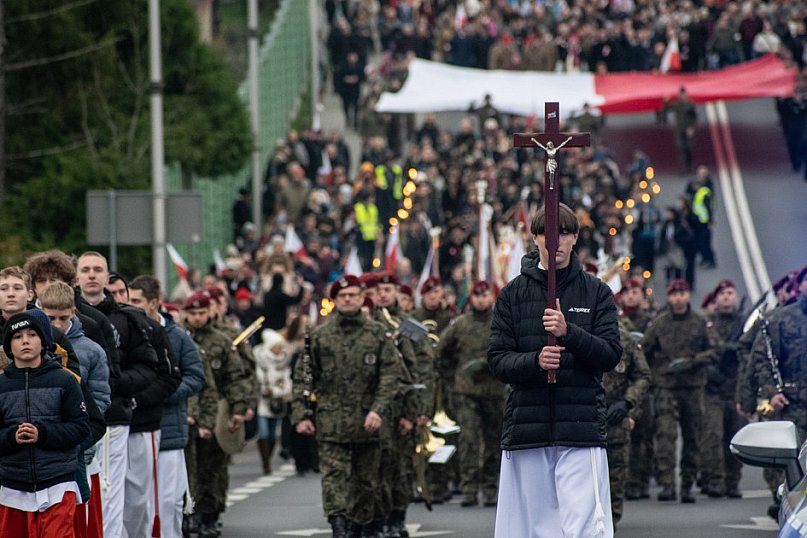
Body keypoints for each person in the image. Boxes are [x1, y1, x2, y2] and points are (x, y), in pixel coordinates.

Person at [489, 203, 622, 537]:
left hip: (580, 429)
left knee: (586, 527)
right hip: (528, 429)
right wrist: (535, 361)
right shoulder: (512, 295)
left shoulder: (597, 292)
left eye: (564, 233)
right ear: (534, 238)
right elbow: (498, 359)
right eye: (548, 233)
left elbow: (609, 354)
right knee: (533, 527)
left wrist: (569, 333)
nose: (556, 242)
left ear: (575, 237)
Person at [292, 275, 400, 538]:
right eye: (343, 296)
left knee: (365, 483)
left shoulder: (377, 334)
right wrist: (301, 414)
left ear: (362, 297)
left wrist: (378, 409)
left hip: (368, 423)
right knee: (334, 480)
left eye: (353, 294)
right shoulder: (319, 336)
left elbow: (390, 376)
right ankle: (338, 526)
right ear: (335, 300)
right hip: (331, 423)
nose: (348, 299)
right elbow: (303, 378)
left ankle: (359, 527)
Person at [0, 311, 90, 538]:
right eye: (17, 336)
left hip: (58, 483)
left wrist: (43, 433)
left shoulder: (65, 380)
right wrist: (12, 437)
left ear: (44, 342)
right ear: (9, 346)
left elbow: (81, 428)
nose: (26, 341)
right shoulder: (1, 385)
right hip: (12, 486)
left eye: (32, 334)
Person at [129, 275, 206, 538]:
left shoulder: (178, 337)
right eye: (129, 300)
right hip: (138, 428)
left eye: (137, 301)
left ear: (154, 303)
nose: (131, 305)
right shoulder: (127, 332)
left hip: (169, 430)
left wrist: (165, 394)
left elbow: (196, 376)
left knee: (169, 503)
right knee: (141, 503)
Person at [183, 291, 253, 538]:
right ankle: (188, 515)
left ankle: (208, 514)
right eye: (193, 313)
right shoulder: (180, 338)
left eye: (202, 313)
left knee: (212, 468)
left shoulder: (221, 341)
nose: (198, 318)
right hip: (187, 411)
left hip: (218, 409)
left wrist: (239, 409)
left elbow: (237, 378)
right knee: (187, 469)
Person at [642, 278, 715, 503]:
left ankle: (687, 485)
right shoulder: (660, 323)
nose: (679, 298)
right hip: (666, 387)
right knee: (665, 435)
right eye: (674, 294)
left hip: (693, 388)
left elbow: (714, 351)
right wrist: (653, 374)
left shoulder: (700, 322)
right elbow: (644, 349)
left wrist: (692, 361)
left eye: (682, 293)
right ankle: (667, 484)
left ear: (688, 296)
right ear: (669, 297)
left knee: (692, 437)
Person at [438, 279, 503, 507]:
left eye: (485, 295)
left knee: (494, 442)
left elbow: (512, 350)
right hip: (466, 392)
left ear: (492, 297)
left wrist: (490, 364)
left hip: (495, 391)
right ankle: (469, 488)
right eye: (477, 295)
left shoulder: (501, 323)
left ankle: (490, 488)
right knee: (469, 440)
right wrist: (453, 378)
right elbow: (441, 353)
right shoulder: (460, 324)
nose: (481, 300)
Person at [700, 279, 746, 499]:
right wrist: (708, 371)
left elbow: (751, 353)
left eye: (730, 293)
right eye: (722, 293)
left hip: (736, 388)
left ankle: (732, 481)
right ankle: (714, 479)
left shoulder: (745, 323)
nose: (727, 297)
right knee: (713, 435)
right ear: (716, 299)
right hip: (712, 390)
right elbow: (697, 351)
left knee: (735, 437)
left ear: (736, 297)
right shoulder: (706, 322)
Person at [603, 321, 651, 529]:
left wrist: (627, 402)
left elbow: (643, 376)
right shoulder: (576, 334)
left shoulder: (626, 340)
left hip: (616, 417)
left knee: (615, 473)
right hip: (584, 418)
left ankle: (610, 522)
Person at [253, 328, 292, 475]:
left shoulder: (283, 362)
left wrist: (277, 391)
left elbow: (287, 383)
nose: (278, 350)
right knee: (263, 432)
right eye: (276, 347)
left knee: (273, 433)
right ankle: (265, 462)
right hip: (262, 402)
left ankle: (268, 455)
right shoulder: (260, 361)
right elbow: (256, 380)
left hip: (277, 402)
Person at [664, 86, 697, 173]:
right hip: (679, 129)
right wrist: (666, 101)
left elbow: (694, 117)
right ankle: (683, 168)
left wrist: (692, 127)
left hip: (687, 129)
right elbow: (667, 109)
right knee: (680, 148)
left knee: (688, 148)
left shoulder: (690, 104)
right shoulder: (677, 104)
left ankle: (689, 166)